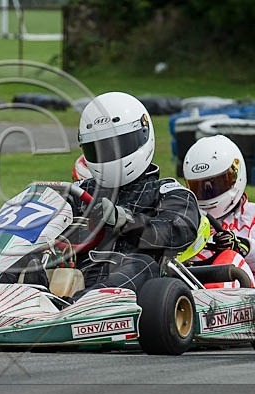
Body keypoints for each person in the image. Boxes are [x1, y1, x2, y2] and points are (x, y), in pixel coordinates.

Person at [65, 91, 201, 297]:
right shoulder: (77, 192)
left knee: (143, 263)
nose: (110, 156)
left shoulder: (169, 193)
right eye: (100, 148)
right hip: (73, 274)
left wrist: (125, 220)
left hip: (140, 289)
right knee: (27, 259)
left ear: (143, 134)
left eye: (118, 146)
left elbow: (177, 232)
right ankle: (2, 300)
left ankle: (80, 306)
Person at [182, 134, 255, 286]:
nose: (207, 193)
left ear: (236, 176)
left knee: (229, 258)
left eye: (216, 184)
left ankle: (209, 303)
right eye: (199, 187)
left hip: (246, 294)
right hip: (185, 287)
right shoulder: (185, 220)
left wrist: (241, 247)